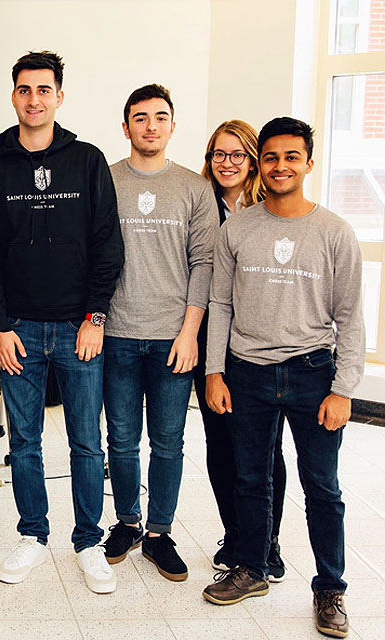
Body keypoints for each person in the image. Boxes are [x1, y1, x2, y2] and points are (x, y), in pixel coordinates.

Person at [202, 118, 363, 640]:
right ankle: (251, 568)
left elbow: (351, 317)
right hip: (246, 371)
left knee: (323, 488)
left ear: (308, 164)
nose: (280, 166)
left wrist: (344, 389)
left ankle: (330, 588)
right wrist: (215, 371)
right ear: (260, 163)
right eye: (271, 157)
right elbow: (220, 304)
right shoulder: (237, 228)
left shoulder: (333, 231)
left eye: (291, 157)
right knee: (250, 478)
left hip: (313, 372)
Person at [0, 51, 125, 591]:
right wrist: (0, 325)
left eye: (44, 89)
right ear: (13, 96)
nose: (34, 99)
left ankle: (88, 541)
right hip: (19, 330)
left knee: (87, 441)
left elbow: (108, 245)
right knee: (26, 443)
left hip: (79, 328)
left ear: (59, 96)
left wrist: (95, 316)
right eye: (24, 90)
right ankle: (33, 535)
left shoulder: (86, 160)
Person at [101, 84, 217, 582]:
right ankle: (127, 522)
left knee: (168, 442)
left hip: (174, 337)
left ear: (173, 125)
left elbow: (204, 263)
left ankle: (159, 532)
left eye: (160, 117)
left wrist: (191, 332)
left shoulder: (195, 188)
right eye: (141, 118)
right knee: (121, 441)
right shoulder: (103, 181)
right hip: (117, 335)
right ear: (125, 127)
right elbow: (91, 258)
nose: (151, 126)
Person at [197, 120, 287, 580]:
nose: (227, 163)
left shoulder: (270, 208)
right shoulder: (200, 202)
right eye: (219, 154)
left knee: (264, 450)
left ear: (252, 160)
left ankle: (265, 541)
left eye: (237, 155)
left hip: (256, 341)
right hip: (210, 336)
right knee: (221, 444)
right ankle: (236, 533)